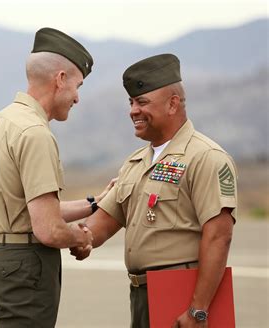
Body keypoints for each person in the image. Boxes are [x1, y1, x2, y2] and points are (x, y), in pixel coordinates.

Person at [70, 54, 237, 328]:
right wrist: (65, 233)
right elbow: (100, 224)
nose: (133, 110)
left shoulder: (206, 157)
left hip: (183, 293)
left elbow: (219, 236)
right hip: (142, 293)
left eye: (142, 102)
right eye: (131, 102)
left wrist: (199, 310)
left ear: (173, 104)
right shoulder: (136, 162)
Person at [0, 27, 114, 327]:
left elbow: (30, 208)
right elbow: (48, 229)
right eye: (78, 86)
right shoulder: (35, 134)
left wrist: (94, 204)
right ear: (60, 79)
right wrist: (82, 236)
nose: (77, 98)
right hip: (25, 270)